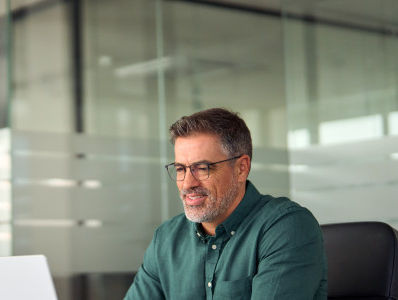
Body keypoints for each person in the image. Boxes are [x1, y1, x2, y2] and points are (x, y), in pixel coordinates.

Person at [124, 108, 327, 299]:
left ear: (241, 168)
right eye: (180, 169)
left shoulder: (286, 227)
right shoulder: (167, 238)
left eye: (202, 168)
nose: (187, 183)